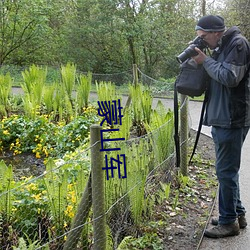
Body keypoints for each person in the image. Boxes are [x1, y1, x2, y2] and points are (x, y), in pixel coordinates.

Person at [192, 15, 250, 238]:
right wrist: (202, 60)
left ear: (216, 32)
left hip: (232, 118)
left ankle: (228, 223)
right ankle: (237, 214)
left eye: (204, 37)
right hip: (222, 117)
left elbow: (229, 77)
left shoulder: (238, 44)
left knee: (225, 171)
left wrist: (205, 61)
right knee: (227, 171)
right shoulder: (221, 46)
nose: (203, 41)